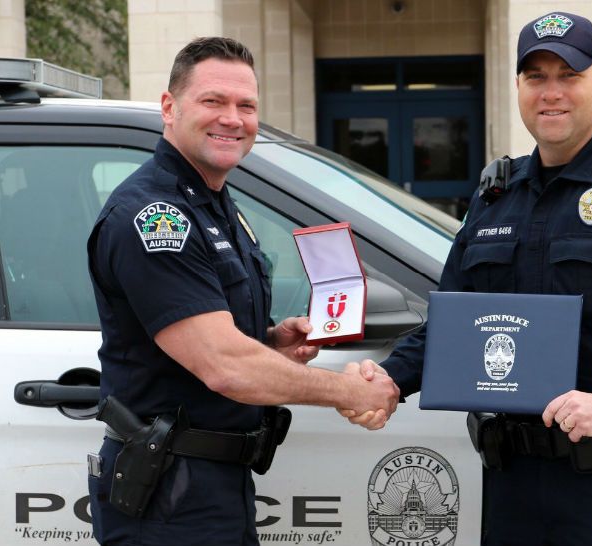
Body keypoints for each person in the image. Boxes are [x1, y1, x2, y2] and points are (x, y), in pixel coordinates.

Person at [342, 11, 592, 546]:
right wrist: (392, 379)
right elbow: (455, 324)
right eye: (536, 76)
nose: (550, 92)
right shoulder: (495, 196)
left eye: (569, 75)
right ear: (518, 88)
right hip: (512, 489)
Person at [87, 37, 399, 546]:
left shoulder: (215, 203)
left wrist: (272, 343)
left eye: (246, 105)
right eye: (213, 101)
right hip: (168, 499)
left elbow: (208, 336)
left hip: (209, 486)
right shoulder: (155, 217)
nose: (232, 118)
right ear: (170, 107)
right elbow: (224, 365)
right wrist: (350, 391)